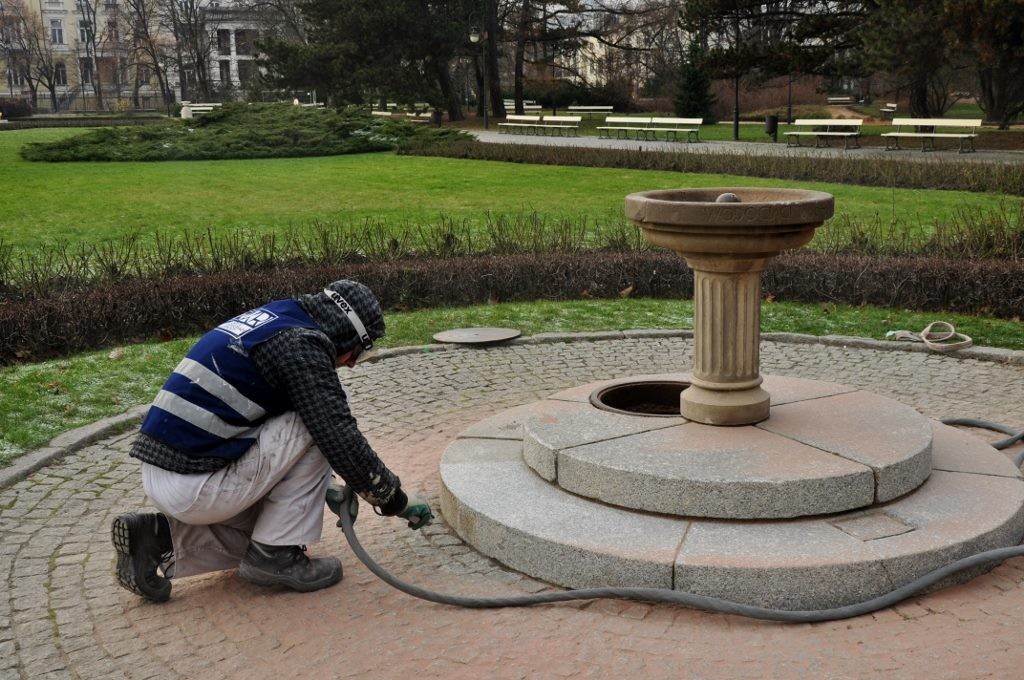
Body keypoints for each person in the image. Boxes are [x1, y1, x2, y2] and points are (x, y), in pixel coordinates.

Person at [111, 280, 432, 602]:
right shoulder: (300, 346)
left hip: (169, 472)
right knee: (319, 418)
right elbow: (338, 435)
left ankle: (157, 539)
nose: (350, 362)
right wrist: (393, 499)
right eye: (359, 351)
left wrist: (324, 490)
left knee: (270, 524)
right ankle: (275, 555)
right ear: (347, 335)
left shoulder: (278, 317)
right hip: (198, 482)